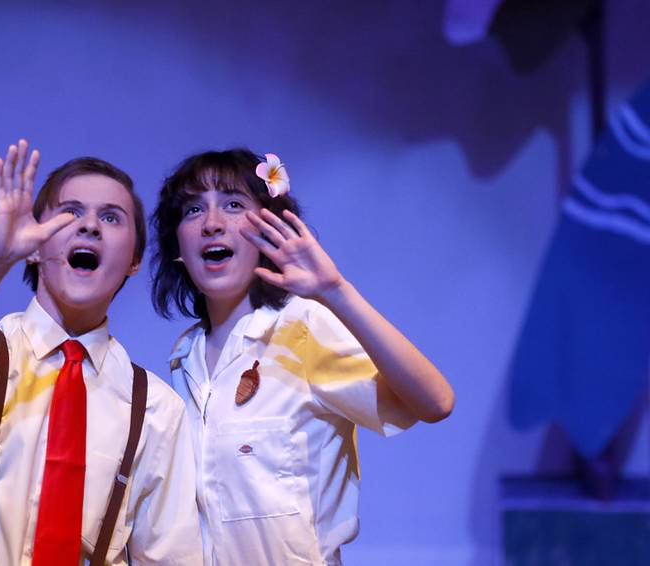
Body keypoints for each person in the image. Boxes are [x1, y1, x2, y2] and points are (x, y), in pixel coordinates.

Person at [0, 140, 202, 566]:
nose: (90, 225)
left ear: (132, 259)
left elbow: (171, 557)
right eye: (71, 212)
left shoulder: (156, 409)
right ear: (34, 246)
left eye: (111, 217)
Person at [150, 148, 454, 565]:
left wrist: (336, 292)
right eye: (193, 210)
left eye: (234, 204)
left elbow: (435, 402)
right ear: (177, 246)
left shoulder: (304, 327)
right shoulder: (183, 359)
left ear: (272, 229)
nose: (212, 223)